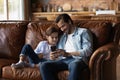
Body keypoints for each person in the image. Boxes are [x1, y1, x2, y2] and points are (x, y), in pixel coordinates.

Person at [40, 13, 93, 80]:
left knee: (75, 65)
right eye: (60, 28)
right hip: (63, 60)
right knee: (44, 65)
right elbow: (59, 53)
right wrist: (54, 56)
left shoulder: (83, 32)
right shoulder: (62, 36)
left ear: (69, 22)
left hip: (77, 59)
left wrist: (68, 54)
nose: (62, 29)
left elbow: (88, 50)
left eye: (63, 26)